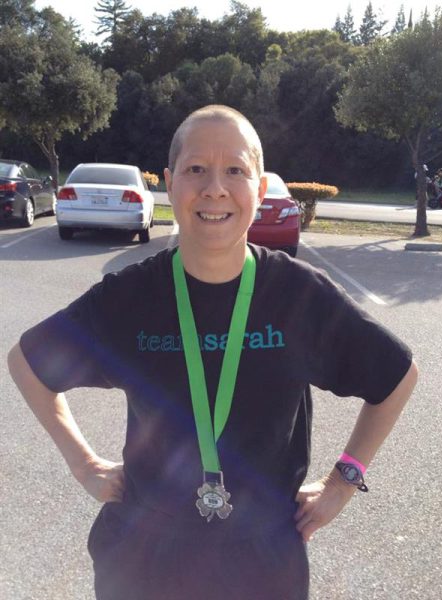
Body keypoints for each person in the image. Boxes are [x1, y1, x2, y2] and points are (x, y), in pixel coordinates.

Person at [7, 105, 418, 600]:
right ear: (170, 183)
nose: (215, 188)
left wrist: (344, 481)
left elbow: (397, 376)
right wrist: (82, 463)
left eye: (235, 171)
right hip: (144, 558)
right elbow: (28, 364)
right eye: (195, 169)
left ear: (260, 188)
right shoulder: (128, 297)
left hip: (262, 562)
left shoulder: (299, 296)